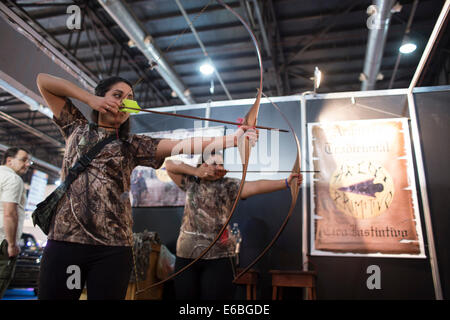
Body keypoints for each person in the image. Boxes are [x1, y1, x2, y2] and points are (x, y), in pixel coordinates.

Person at [35, 73, 257, 300]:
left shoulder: (133, 145)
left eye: (129, 98)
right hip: (66, 242)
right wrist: (89, 98)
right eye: (117, 95)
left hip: (113, 248)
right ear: (102, 98)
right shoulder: (76, 127)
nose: (124, 102)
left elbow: (181, 145)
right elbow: (43, 81)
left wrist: (233, 139)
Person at [165, 152, 303, 300]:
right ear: (203, 165)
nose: (219, 167)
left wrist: (286, 182)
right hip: (187, 257)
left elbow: (255, 186)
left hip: (219, 257)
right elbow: (169, 164)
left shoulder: (229, 185)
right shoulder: (190, 182)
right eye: (215, 163)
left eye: (221, 164)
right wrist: (196, 171)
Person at [0, 147, 32, 298]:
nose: (27, 164)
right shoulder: (13, 179)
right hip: (2, 241)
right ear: (9, 160)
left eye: (28, 161)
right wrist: (12, 244)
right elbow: (10, 213)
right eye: (23, 160)